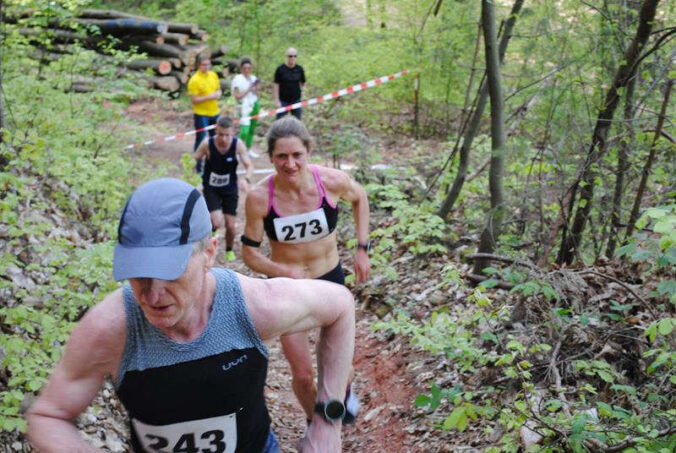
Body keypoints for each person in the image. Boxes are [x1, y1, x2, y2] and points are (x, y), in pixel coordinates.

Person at [26, 177, 355, 453]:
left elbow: (340, 305)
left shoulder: (255, 306)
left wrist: (327, 424)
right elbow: (47, 416)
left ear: (209, 253)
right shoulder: (110, 329)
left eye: (170, 273)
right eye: (139, 274)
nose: (153, 296)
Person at [241, 117, 370, 423]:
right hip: (288, 289)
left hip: (330, 279)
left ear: (308, 152)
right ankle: (318, 425)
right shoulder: (260, 197)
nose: (290, 164)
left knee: (339, 364)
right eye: (281, 157)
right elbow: (249, 254)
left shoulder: (331, 181)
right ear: (271, 158)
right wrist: (281, 270)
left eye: (297, 155)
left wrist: (362, 249)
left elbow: (360, 197)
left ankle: (340, 397)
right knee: (301, 373)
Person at [193, 116, 253, 262]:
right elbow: (195, 158)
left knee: (231, 226)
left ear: (232, 133)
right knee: (216, 222)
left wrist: (246, 179)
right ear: (216, 131)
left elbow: (249, 165)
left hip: (230, 188)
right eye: (220, 134)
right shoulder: (208, 144)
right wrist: (196, 176)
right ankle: (212, 233)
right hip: (211, 187)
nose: (224, 139)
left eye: (227, 135)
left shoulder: (238, 145)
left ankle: (229, 250)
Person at [187, 56, 221, 172]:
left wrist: (218, 94)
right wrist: (209, 97)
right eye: (204, 65)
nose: (206, 67)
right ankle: (198, 167)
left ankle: (213, 165)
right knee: (201, 140)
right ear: (199, 65)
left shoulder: (213, 75)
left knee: (215, 139)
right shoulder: (194, 80)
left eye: (208, 64)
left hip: (215, 112)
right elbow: (194, 100)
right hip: (201, 114)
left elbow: (218, 89)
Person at [231, 57, 260, 150]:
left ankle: (248, 148)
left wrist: (256, 88)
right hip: (243, 107)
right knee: (244, 130)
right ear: (241, 69)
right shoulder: (238, 79)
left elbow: (257, 92)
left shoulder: (253, 78)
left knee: (252, 129)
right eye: (245, 68)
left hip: (254, 104)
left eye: (249, 68)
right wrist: (248, 90)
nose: (247, 70)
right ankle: (238, 149)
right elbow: (237, 96)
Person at [273, 48, 306, 120]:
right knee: (279, 123)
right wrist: (277, 101)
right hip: (283, 101)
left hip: (296, 100)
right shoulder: (280, 69)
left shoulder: (299, 69)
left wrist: (302, 94)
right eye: (290, 56)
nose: (293, 58)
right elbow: (276, 85)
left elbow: (303, 83)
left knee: (297, 123)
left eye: (295, 56)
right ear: (286, 56)